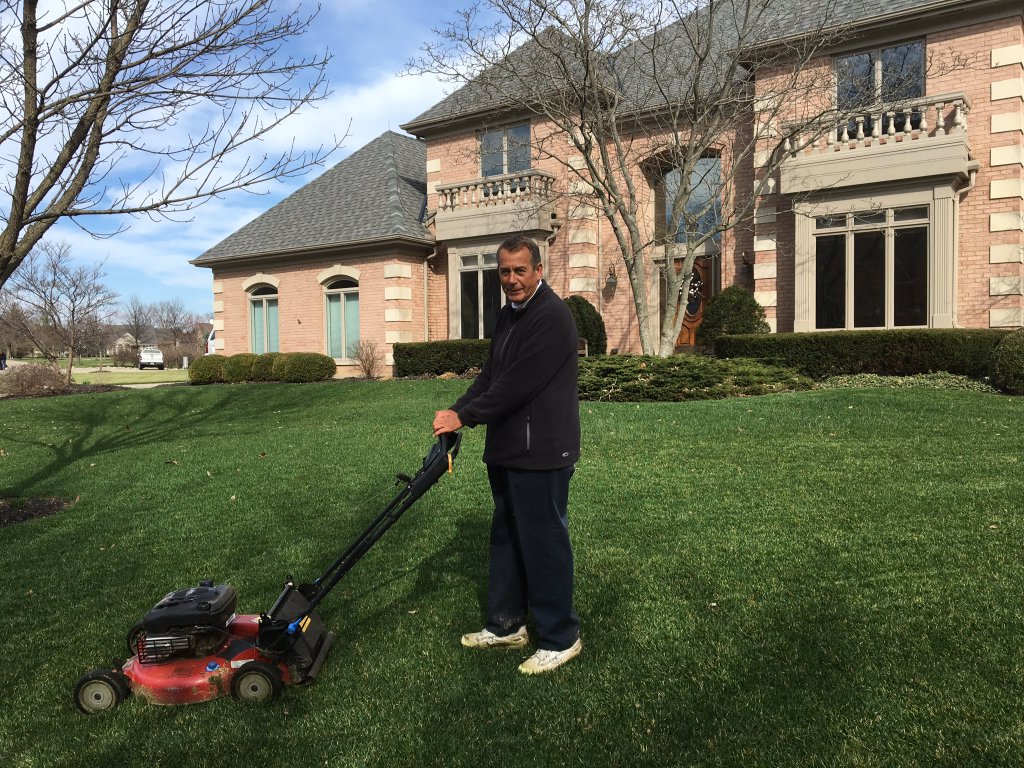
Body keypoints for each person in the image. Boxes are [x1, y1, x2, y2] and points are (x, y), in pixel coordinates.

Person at [433, 234, 582, 675]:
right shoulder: (509, 316)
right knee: (507, 537)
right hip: (509, 448)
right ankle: (506, 625)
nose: (512, 279)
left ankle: (561, 637)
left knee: (544, 541)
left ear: (538, 270)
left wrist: (466, 417)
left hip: (542, 452)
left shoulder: (551, 316)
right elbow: (491, 376)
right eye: (505, 271)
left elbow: (517, 385)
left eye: (520, 270)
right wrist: (457, 409)